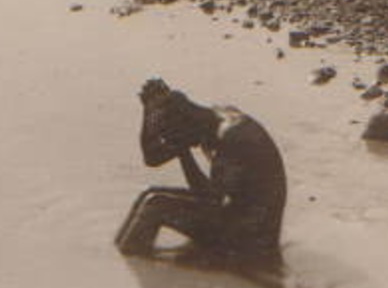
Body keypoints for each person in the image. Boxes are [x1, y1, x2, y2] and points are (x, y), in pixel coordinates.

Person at [115, 79, 287, 260]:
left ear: (185, 127)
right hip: (240, 215)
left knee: (154, 206)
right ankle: (121, 255)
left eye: (175, 139)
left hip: (253, 236)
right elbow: (152, 158)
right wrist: (150, 113)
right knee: (148, 194)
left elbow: (211, 199)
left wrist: (183, 153)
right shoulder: (208, 119)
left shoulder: (232, 139)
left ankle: (127, 262)